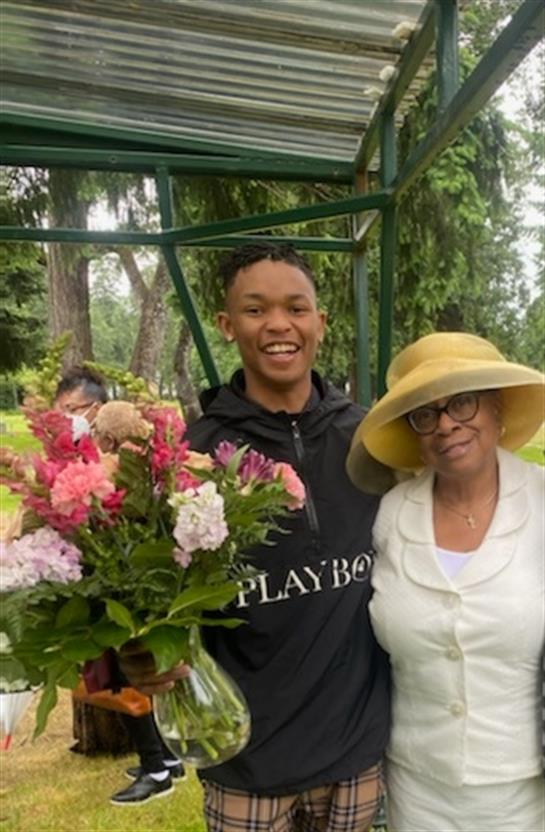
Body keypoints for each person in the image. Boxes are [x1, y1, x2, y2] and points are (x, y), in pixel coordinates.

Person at [121, 242, 392, 831]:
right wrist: (142, 652)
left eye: (296, 307)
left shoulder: (371, 441)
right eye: (255, 309)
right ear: (225, 325)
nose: (278, 325)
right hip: (247, 758)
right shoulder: (191, 458)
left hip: (356, 748)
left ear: (321, 320)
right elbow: (148, 604)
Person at [346, 332, 545, 832]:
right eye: (425, 413)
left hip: (526, 790)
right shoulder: (391, 516)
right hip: (418, 788)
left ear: (497, 410)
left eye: (462, 402)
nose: (447, 424)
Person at [53, 369, 185, 805]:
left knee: (135, 673)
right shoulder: (81, 453)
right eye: (62, 411)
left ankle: (157, 767)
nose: (67, 419)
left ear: (96, 407)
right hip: (103, 576)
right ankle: (166, 755)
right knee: (121, 672)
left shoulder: (123, 454)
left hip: (131, 582)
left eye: (73, 410)